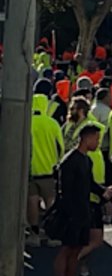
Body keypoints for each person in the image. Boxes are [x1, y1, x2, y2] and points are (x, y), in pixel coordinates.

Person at [46, 123, 111, 276]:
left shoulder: (86, 160)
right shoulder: (70, 161)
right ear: (87, 138)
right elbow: (64, 191)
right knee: (66, 249)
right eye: (96, 138)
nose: (98, 142)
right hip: (70, 214)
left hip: (83, 212)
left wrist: (103, 191)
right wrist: (70, 214)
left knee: (76, 250)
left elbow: (89, 184)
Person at [29, 89, 64, 247]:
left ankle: (34, 235)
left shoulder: (27, 122)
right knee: (51, 203)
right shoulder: (52, 123)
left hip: (31, 171)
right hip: (50, 170)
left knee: (32, 203)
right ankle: (52, 236)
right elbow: (60, 147)